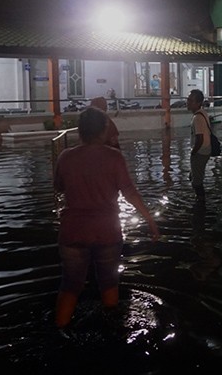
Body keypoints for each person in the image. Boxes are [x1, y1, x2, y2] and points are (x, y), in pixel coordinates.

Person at [53, 107, 160, 329]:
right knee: (109, 283)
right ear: (103, 131)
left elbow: (59, 187)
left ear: (80, 132)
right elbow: (129, 192)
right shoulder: (114, 157)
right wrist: (149, 220)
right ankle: (111, 333)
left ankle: (59, 332)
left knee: (70, 285)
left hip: (73, 230)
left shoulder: (65, 157)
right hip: (106, 231)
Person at [187, 89, 211, 201]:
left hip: (200, 152)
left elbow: (200, 138)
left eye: (191, 100)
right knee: (196, 177)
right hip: (205, 151)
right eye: (188, 100)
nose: (188, 102)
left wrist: (193, 152)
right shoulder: (203, 113)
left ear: (198, 103)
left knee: (196, 183)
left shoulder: (197, 118)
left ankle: (200, 204)